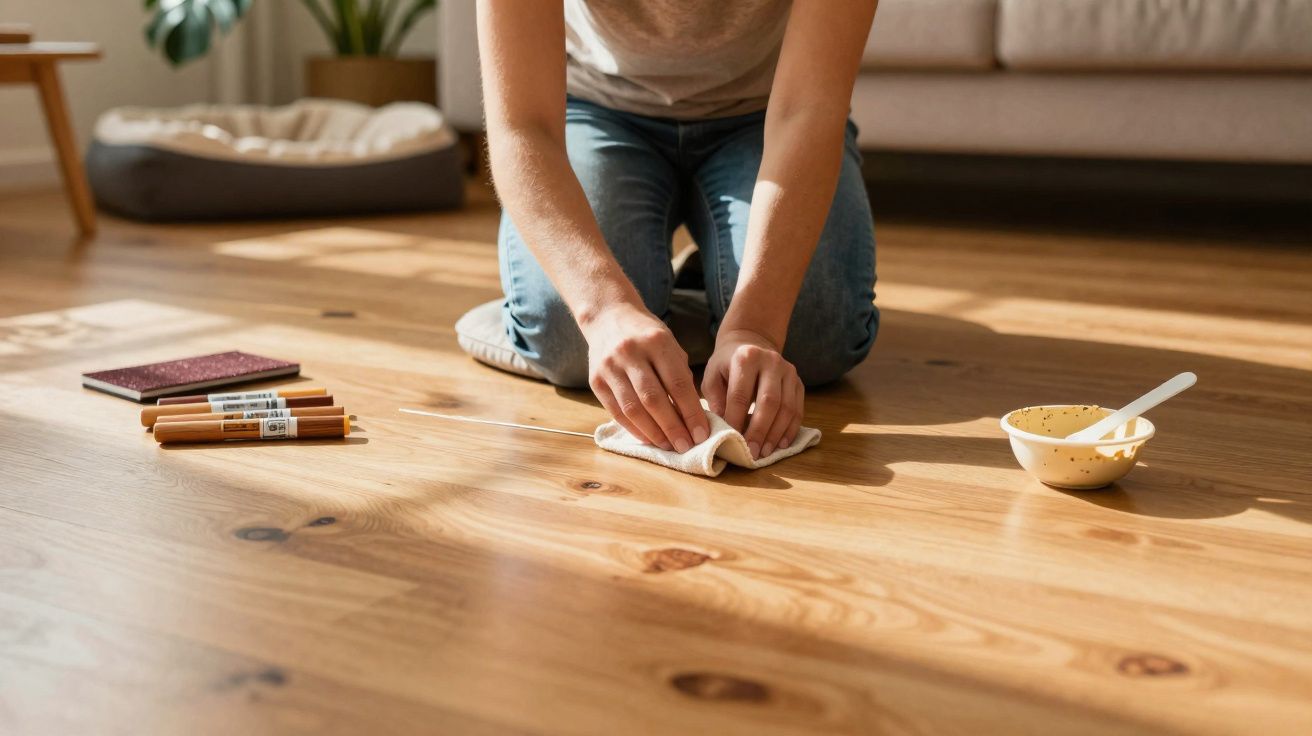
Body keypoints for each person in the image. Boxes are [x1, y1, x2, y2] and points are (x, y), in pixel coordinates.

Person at [477, 0, 880, 462]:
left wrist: (757, 330)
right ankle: (672, 294)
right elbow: (523, 125)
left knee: (816, 338)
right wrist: (605, 310)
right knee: (566, 339)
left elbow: (809, 108)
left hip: (770, 113)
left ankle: (695, 289)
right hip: (598, 109)